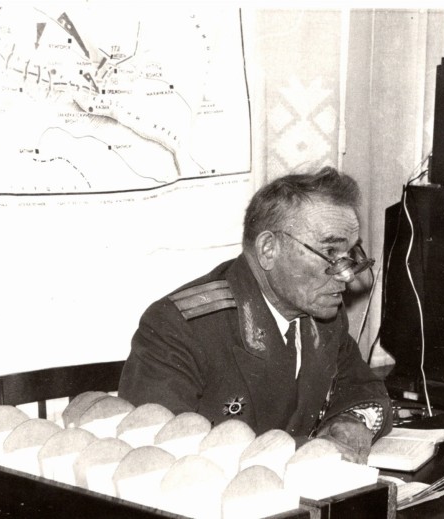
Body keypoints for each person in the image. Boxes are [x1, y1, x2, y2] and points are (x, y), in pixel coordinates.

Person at [118, 166, 392, 463]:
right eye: (330, 253)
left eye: (350, 255)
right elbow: (156, 457)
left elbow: (363, 389)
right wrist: (312, 452)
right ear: (268, 249)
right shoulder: (178, 327)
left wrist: (352, 421)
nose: (347, 276)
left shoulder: (323, 316)